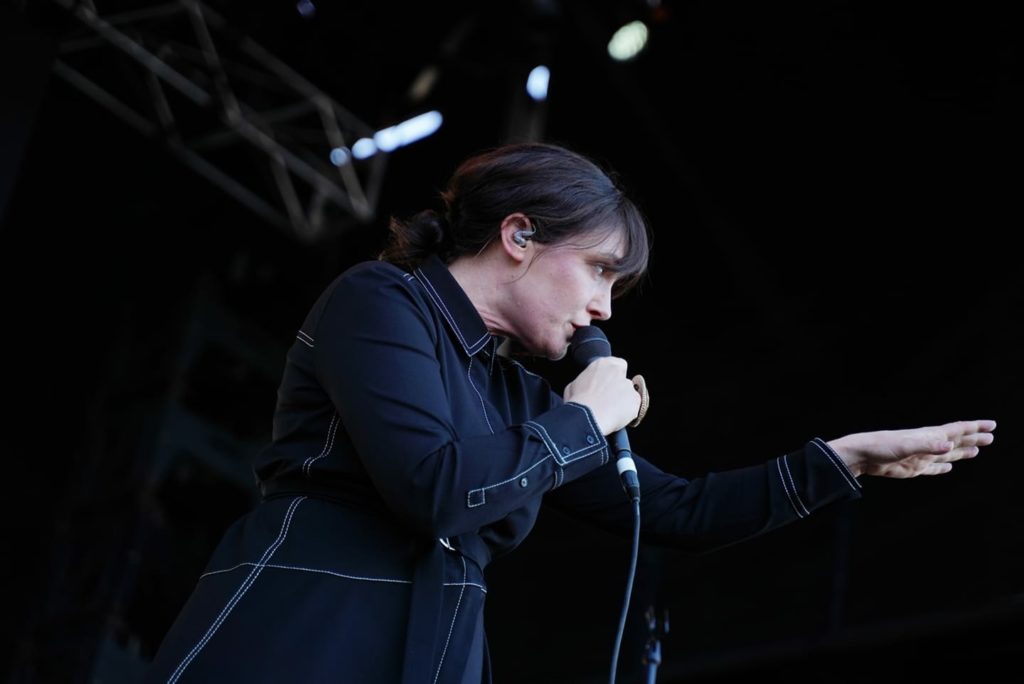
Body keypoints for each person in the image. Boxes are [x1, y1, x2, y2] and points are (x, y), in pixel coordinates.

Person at [145, 142, 996, 684]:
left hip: (435, 654)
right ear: (519, 235)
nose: (603, 308)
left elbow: (675, 510)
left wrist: (843, 459)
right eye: (598, 270)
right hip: (303, 631)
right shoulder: (381, 302)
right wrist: (581, 422)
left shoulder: (520, 397)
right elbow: (435, 490)